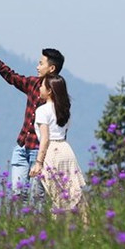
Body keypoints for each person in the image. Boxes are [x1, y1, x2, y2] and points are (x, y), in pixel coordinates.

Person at [0, 37, 65, 202]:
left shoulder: (57, 97)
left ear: (51, 68)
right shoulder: (33, 84)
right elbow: (12, 77)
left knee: (37, 198)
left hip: (40, 152)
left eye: (41, 63)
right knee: (18, 196)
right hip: (22, 147)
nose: (37, 66)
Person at [29, 75, 87, 214]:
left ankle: (46, 221)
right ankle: (86, 222)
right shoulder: (64, 110)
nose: (39, 88)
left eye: (42, 86)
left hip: (51, 151)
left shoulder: (42, 110)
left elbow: (45, 138)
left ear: (49, 90)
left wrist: (38, 162)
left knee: (48, 193)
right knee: (73, 191)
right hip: (66, 149)